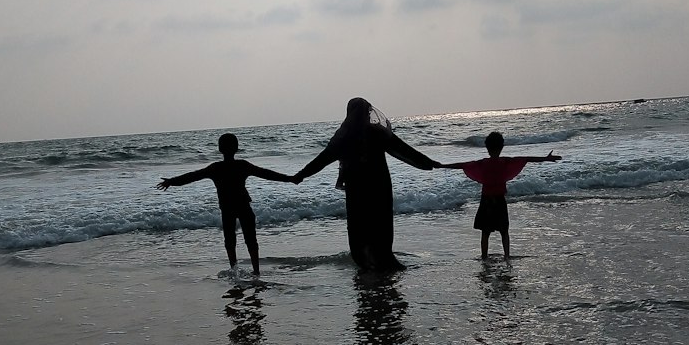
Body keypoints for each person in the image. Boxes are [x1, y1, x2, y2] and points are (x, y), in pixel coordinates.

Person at [294, 97, 438, 271]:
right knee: (381, 222)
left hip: (357, 190)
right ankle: (385, 261)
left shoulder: (343, 136)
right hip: (380, 186)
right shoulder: (377, 132)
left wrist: (299, 176)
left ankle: (365, 264)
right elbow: (405, 150)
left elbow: (321, 160)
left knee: (358, 225)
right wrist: (430, 163)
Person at [157, 133, 295, 275]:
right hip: (243, 206)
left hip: (227, 208)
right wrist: (289, 178)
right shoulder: (242, 165)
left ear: (219, 149)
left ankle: (234, 270)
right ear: (236, 148)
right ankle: (256, 271)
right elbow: (266, 174)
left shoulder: (215, 168)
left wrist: (172, 181)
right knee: (251, 239)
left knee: (230, 240)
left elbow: (192, 176)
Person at [439, 132, 558, 259]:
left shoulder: (483, 163)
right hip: (500, 200)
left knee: (485, 232)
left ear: (487, 147)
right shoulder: (505, 162)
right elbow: (526, 158)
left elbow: (462, 165)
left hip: (486, 201)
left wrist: (441, 165)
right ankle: (507, 256)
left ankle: (484, 257)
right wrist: (545, 158)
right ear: (502, 147)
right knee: (504, 231)